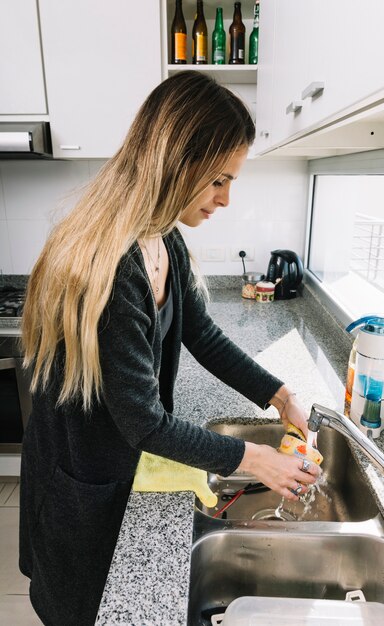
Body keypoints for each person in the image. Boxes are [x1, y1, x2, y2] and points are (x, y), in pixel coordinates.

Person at [19, 71, 320, 626]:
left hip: (114, 466)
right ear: (176, 162)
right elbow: (146, 422)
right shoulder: (112, 266)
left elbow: (200, 333)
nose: (227, 199)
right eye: (218, 181)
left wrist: (280, 397)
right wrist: (260, 461)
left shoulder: (163, 237)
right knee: (86, 611)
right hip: (82, 481)